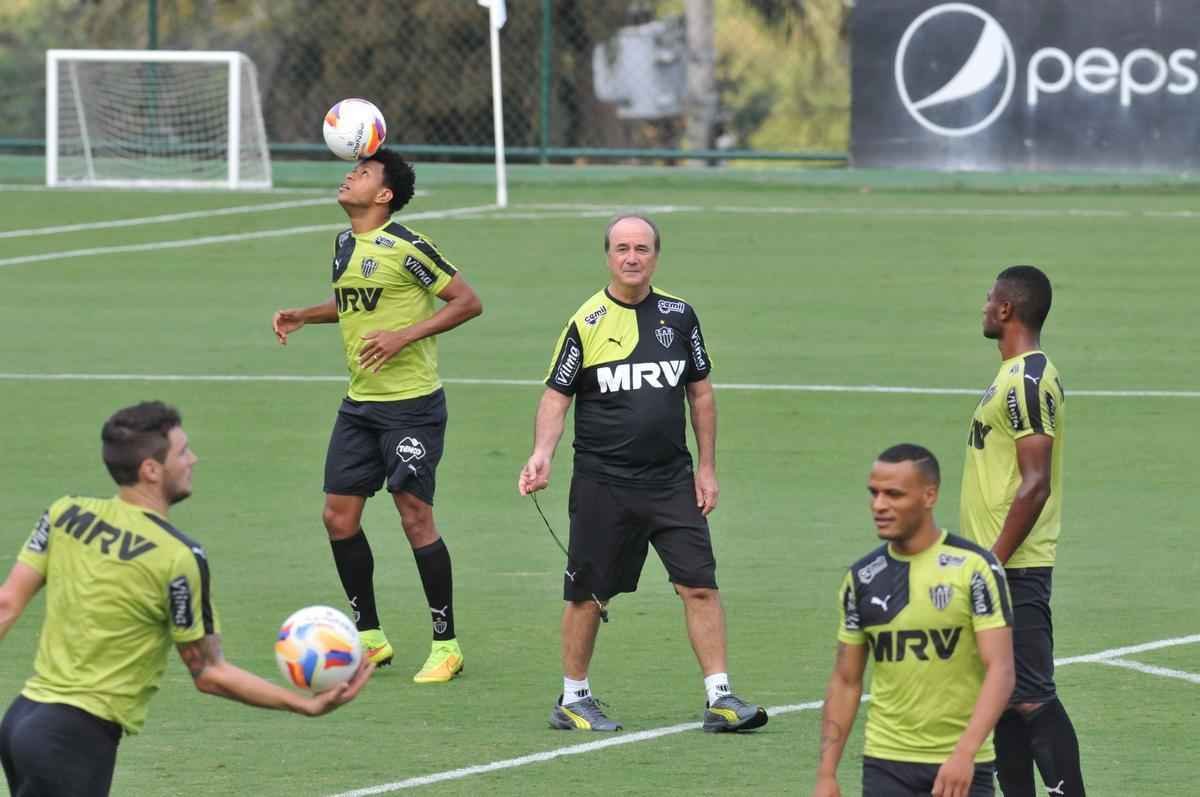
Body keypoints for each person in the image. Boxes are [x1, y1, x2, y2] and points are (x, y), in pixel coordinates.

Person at [0, 401, 373, 797]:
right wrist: (303, 704)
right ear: (151, 469)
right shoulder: (178, 556)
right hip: (73, 738)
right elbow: (208, 672)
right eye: (182, 452)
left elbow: (6, 604)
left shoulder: (64, 514)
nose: (192, 459)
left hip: (21, 719)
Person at [517, 214, 766, 733]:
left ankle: (721, 698)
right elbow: (556, 396)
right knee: (588, 593)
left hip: (671, 480)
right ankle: (573, 698)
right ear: (608, 256)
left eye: (642, 248)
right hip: (603, 482)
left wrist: (707, 468)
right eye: (622, 248)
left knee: (699, 585)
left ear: (656, 255)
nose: (632, 257)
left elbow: (701, 394)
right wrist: (542, 453)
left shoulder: (680, 316)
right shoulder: (586, 321)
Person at [272, 149, 482, 683]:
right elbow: (354, 303)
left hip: (412, 407)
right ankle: (370, 637)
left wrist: (403, 336)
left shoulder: (408, 246)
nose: (350, 176)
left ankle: (446, 645)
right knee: (338, 518)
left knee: (414, 516)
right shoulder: (344, 243)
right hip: (360, 405)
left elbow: (466, 301)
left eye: (363, 173)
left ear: (384, 195)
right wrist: (304, 314)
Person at [814, 444, 1014, 797]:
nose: (879, 505)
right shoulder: (862, 578)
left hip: (960, 764)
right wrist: (827, 773)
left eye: (893, 494)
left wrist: (965, 753)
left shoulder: (975, 568)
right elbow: (845, 680)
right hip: (885, 762)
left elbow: (1001, 669)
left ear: (929, 496)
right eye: (874, 493)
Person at [960, 266, 1085, 796]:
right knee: (1006, 698)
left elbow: (1035, 485)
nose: (984, 306)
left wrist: (992, 560)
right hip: (999, 564)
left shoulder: (1027, 381)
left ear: (1007, 309)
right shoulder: (1012, 374)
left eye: (990, 298)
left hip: (1015, 568)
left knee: (1031, 696)